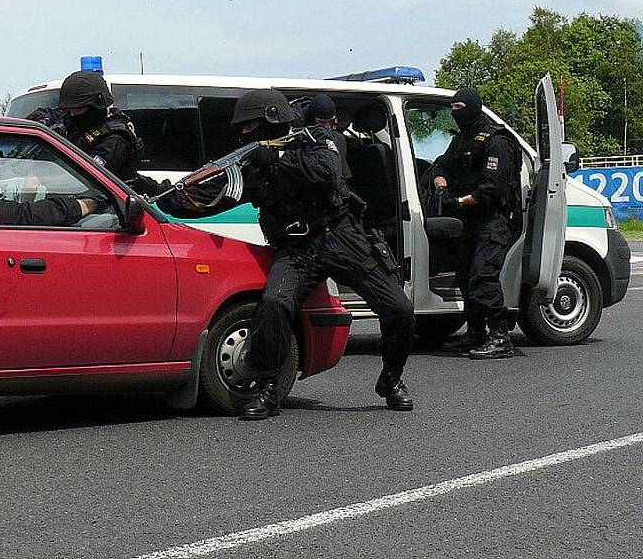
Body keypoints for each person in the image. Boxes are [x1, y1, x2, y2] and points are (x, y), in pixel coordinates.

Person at [158, 89, 415, 420]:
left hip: (340, 236)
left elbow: (326, 172)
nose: (243, 133)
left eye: (249, 126)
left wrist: (279, 159)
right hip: (297, 248)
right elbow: (211, 197)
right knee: (275, 304)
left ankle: (391, 378)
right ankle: (269, 388)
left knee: (400, 309)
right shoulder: (253, 162)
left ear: (270, 119)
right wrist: (154, 194)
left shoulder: (318, 138)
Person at [431, 87, 522, 360]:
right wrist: (441, 186)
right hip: (469, 222)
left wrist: (458, 202)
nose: (455, 112)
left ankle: (500, 337)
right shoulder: (462, 140)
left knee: (483, 276)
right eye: (453, 108)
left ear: (472, 107)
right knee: (465, 275)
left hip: (493, 221)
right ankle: (476, 331)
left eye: (460, 107)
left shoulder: (497, 140)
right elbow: (441, 166)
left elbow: (490, 191)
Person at [26, 70, 145, 183]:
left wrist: (44, 174)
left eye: (76, 110)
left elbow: (88, 179)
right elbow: (50, 114)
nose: (72, 115)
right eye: (70, 110)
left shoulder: (114, 139)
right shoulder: (77, 115)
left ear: (96, 106)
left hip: (100, 199)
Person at [304, 94, 353, 182]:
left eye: (330, 121)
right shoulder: (302, 140)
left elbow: (343, 175)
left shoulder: (339, 139)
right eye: (322, 122)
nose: (327, 127)